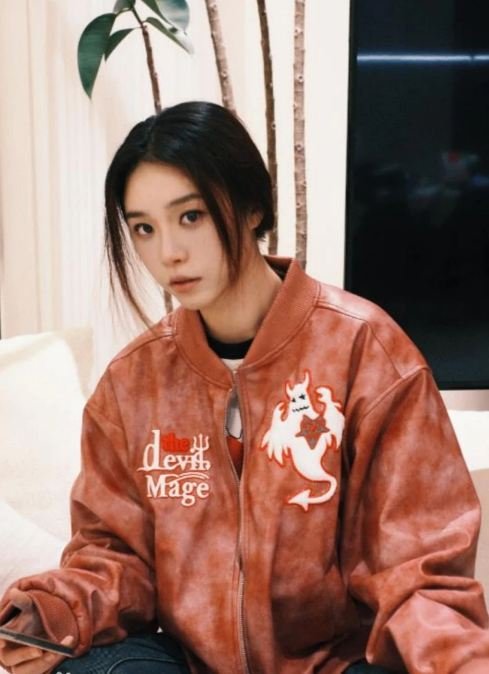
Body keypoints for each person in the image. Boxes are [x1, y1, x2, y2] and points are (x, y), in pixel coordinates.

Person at [0, 101, 488, 674]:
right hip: (190, 664)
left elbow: (418, 568)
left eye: (191, 216)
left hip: (335, 663)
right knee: (92, 667)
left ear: (253, 206)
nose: (169, 252)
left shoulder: (366, 351)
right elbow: (115, 558)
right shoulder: (132, 384)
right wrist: (52, 614)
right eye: (144, 229)